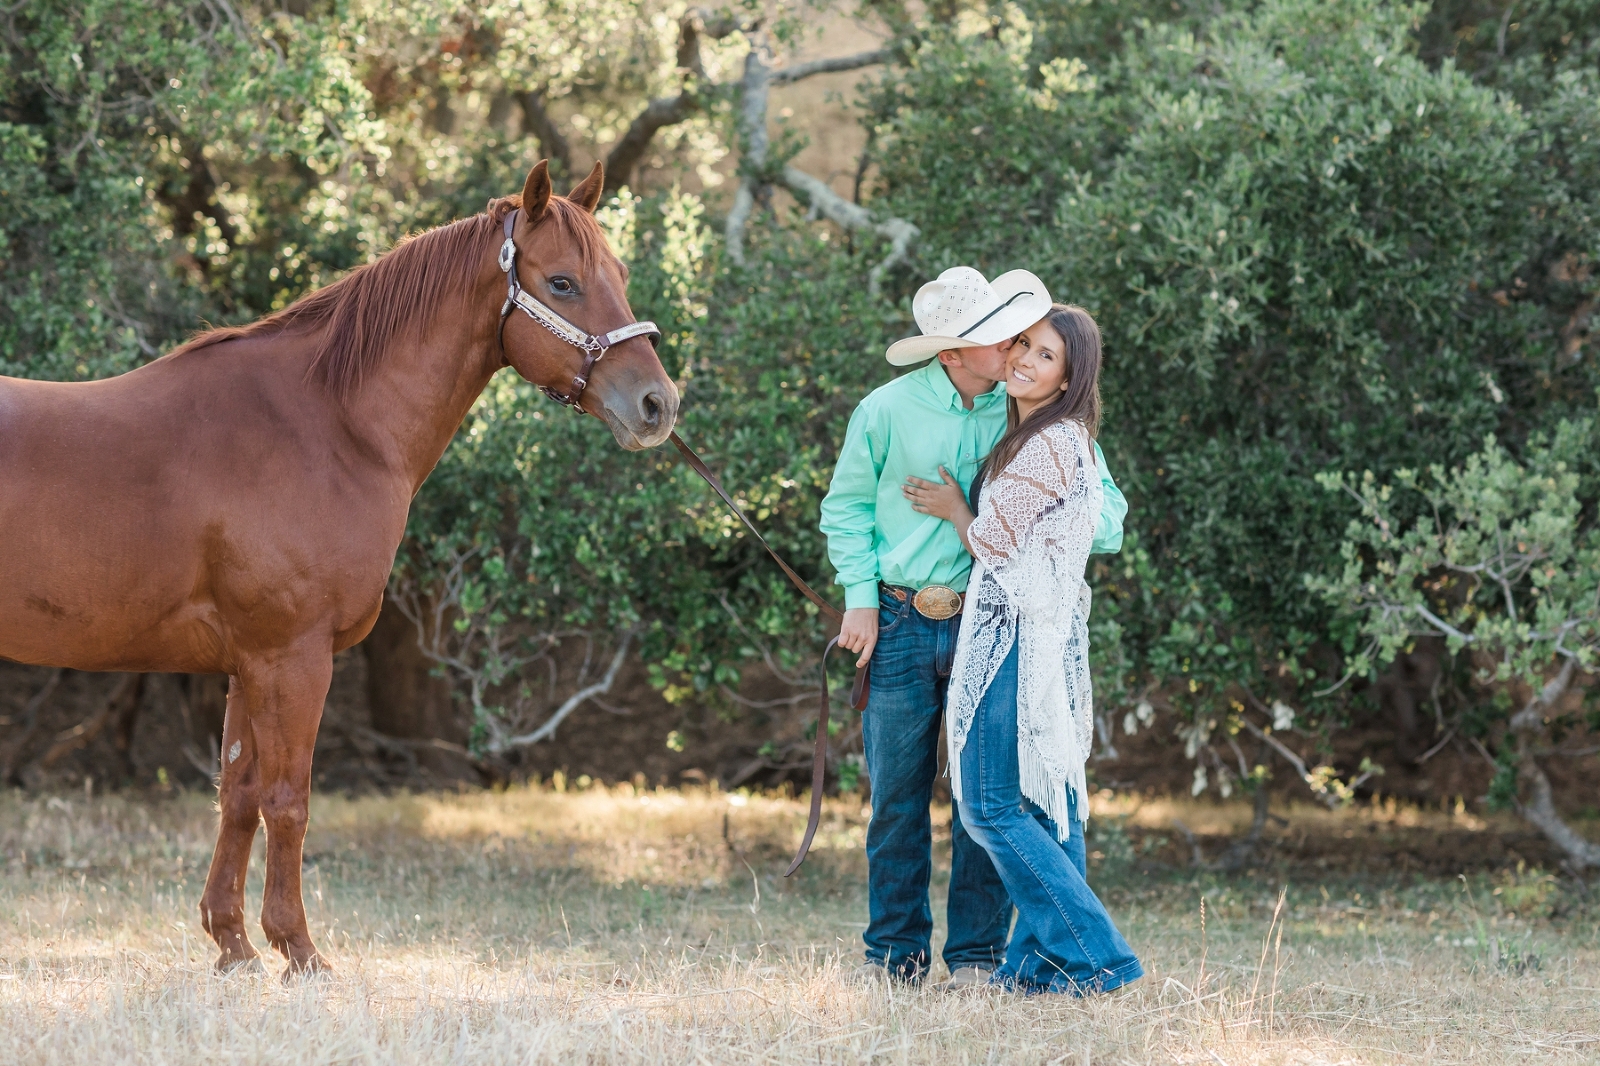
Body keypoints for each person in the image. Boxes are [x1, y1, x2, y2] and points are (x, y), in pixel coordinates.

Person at [819, 268, 1128, 986]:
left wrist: (1035, 525)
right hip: (896, 619)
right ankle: (893, 956)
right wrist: (859, 598)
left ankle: (977, 961)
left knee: (982, 803)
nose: (1017, 349)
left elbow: (1105, 516)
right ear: (953, 354)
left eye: (1023, 339)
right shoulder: (885, 410)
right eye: (1002, 339)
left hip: (992, 624)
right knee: (894, 799)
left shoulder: (1033, 412)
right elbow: (846, 508)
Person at [902, 304, 1143, 995]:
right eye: (1024, 347)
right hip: (1038, 630)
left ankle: (1098, 955)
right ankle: (1041, 967)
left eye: (1045, 357)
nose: (1024, 362)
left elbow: (997, 545)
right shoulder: (1049, 437)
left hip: (1015, 635)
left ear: (1069, 379)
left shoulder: (1050, 442)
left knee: (988, 805)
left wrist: (956, 511)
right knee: (1042, 800)